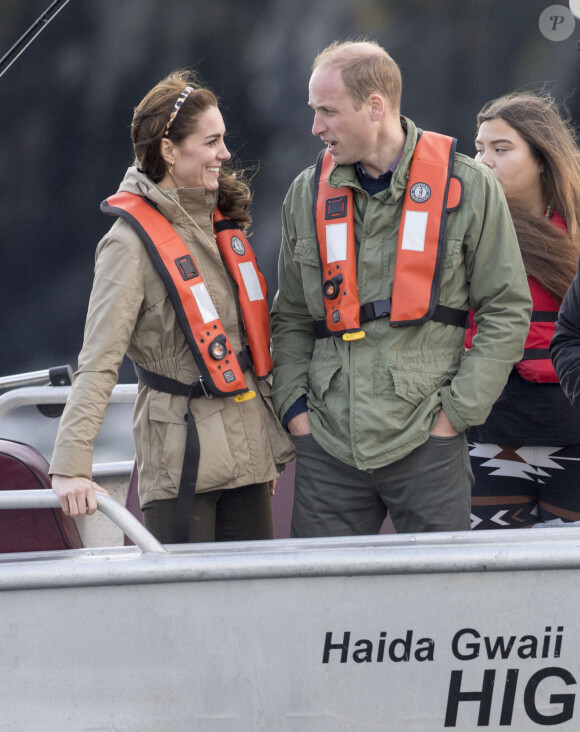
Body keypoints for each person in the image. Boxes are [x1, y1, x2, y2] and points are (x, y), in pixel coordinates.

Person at [270, 40, 532, 538]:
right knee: (322, 601)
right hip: (326, 445)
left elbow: (506, 309)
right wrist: (295, 413)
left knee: (441, 600)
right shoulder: (306, 192)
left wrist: (455, 416)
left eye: (328, 111)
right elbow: (291, 318)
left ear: (375, 107)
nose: (315, 127)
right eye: (313, 111)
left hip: (427, 440)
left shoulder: (470, 185)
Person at [50, 70, 294, 543]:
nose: (225, 153)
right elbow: (98, 362)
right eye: (212, 141)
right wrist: (71, 466)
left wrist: (264, 445)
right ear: (168, 151)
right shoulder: (126, 245)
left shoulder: (222, 225)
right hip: (181, 460)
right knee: (185, 614)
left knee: (255, 610)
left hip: (249, 457)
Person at [468, 91, 580, 529]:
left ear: (541, 157)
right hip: (492, 438)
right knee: (492, 582)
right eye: (478, 149)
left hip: (573, 436)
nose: (484, 160)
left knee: (569, 589)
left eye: (501, 148)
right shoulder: (462, 226)